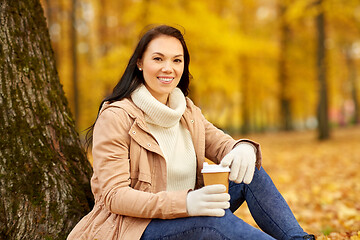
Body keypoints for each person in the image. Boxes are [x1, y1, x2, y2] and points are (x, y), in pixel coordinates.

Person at [67, 25, 315, 240]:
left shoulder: (186, 110)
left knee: (251, 173)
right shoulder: (116, 116)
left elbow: (222, 145)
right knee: (211, 222)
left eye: (177, 60)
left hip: (189, 212)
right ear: (139, 63)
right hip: (136, 228)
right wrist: (185, 203)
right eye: (158, 59)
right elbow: (114, 196)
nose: (168, 68)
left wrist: (244, 148)